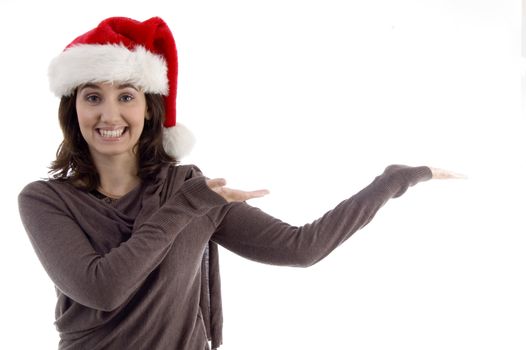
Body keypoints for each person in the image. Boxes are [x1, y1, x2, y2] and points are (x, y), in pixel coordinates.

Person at [17, 16, 462, 350]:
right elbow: (103, 288)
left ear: (150, 109)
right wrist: (187, 207)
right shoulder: (46, 200)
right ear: (73, 109)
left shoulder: (190, 191)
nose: (109, 115)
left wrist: (391, 182)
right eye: (92, 97)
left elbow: (300, 248)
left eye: (126, 96)